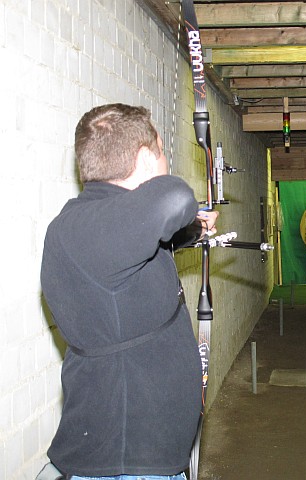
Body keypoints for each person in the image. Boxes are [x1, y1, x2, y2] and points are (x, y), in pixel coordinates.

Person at [40, 103, 218, 479]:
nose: (166, 160)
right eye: (162, 152)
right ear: (145, 160)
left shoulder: (90, 224)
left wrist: (192, 231)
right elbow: (173, 198)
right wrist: (174, 196)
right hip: (127, 461)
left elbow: (127, 267)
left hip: (133, 450)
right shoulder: (91, 226)